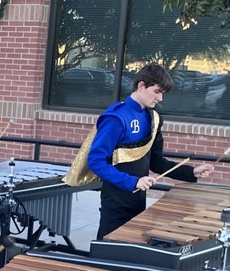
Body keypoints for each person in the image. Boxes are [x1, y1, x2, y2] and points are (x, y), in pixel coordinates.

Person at [82, 63, 213, 239]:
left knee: (134, 252)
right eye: (157, 91)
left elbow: (157, 162)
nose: (160, 98)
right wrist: (133, 182)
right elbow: (96, 161)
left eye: (163, 94)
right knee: (109, 251)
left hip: (139, 199)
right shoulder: (116, 117)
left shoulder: (153, 118)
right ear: (141, 86)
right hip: (116, 200)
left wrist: (191, 172)